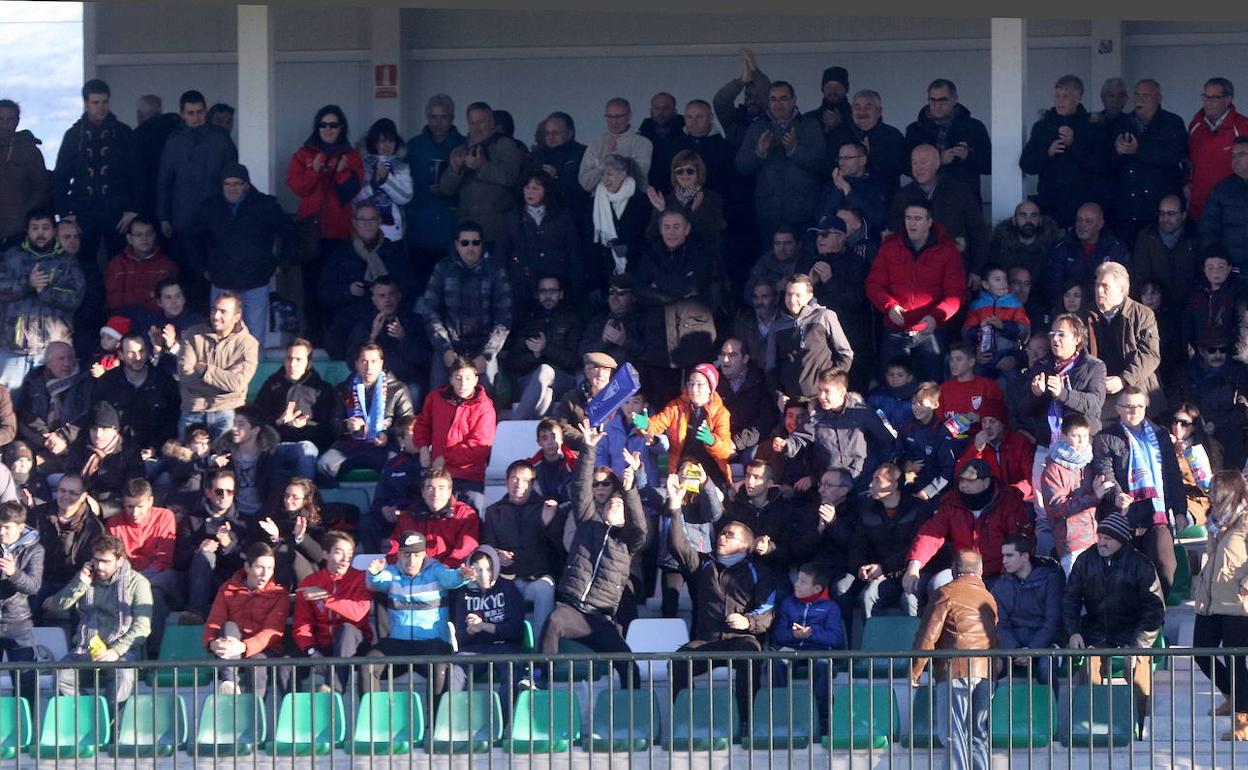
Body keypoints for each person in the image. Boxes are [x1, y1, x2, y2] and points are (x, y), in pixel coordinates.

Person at [535, 424, 646, 688]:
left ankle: (632, 717)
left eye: (618, 505)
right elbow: (580, 488)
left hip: (600, 617)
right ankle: (540, 681)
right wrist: (589, 448)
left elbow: (640, 525)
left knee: (628, 666)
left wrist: (629, 490)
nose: (611, 505)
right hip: (571, 607)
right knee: (554, 620)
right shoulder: (588, 523)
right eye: (609, 503)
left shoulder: (628, 540)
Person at [1063, 513, 1166, 739]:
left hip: (1132, 632)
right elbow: (1070, 600)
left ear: (1122, 539)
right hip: (1097, 632)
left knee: (1138, 669)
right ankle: (1094, 725)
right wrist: (1074, 632)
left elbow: (1154, 609)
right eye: (1100, 536)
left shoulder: (1140, 564)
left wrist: (1138, 645)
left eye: (1108, 538)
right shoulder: (1085, 561)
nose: (1101, 542)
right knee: (1089, 671)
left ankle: (1137, 726)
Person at [1092, 388, 1186, 597]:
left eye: (1139, 406)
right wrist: (1116, 495)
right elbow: (1103, 471)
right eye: (1128, 406)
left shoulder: (1160, 435)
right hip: (1123, 515)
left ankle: (1154, 619)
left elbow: (1172, 475)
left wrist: (1180, 510)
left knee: (1165, 566)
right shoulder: (1105, 438)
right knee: (1125, 577)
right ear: (1117, 409)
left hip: (1156, 513)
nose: (1134, 411)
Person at [910, 550, 999, 770]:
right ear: (980, 571)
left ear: (953, 570)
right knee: (978, 735)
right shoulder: (989, 597)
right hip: (986, 673)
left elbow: (928, 635)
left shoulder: (945, 593)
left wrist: (915, 670)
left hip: (956, 669)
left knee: (954, 733)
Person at [362, 531, 475, 700]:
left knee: (441, 669)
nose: (411, 560)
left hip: (432, 643)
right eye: (406, 554)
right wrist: (374, 574)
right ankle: (372, 722)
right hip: (399, 644)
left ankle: (435, 723)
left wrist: (462, 575)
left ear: (424, 554)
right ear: (399, 554)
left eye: (416, 555)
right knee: (367, 665)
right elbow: (376, 582)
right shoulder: (392, 573)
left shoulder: (436, 570)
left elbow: (450, 579)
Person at [186, 163, 292, 339]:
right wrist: (202, 268)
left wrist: (282, 264)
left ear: (247, 185)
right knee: (220, 337)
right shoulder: (210, 207)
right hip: (222, 281)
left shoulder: (266, 206)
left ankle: (254, 368)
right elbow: (192, 238)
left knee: (253, 338)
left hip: (255, 283)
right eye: (227, 184)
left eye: (237, 183)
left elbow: (290, 233)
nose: (232, 188)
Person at [285, 105, 364, 341]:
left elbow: (350, 192)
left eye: (333, 125)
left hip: (339, 234)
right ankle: (313, 333)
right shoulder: (304, 154)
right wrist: (315, 171)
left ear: (342, 128)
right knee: (310, 284)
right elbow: (298, 187)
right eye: (323, 125)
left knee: (336, 286)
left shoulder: (351, 156)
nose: (328, 129)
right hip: (311, 232)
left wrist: (341, 172)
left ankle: (334, 333)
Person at [866, 200, 965, 382]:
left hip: (930, 329)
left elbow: (955, 294)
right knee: (891, 386)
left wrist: (936, 316)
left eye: (918, 218)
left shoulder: (947, 251)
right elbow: (874, 284)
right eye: (908, 218)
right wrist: (889, 306)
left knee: (931, 387)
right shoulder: (890, 248)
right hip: (895, 329)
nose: (912, 223)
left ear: (929, 222)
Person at [903, 458, 1034, 593]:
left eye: (970, 481)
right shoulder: (951, 503)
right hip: (961, 572)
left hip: (999, 574)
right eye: (962, 480)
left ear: (986, 481)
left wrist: (1007, 576)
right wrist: (914, 564)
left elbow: (1018, 541)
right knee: (937, 585)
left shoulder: (1008, 503)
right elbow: (931, 534)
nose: (964, 485)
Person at [628, 208, 717, 404]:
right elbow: (639, 290)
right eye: (666, 227)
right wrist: (675, 288)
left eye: (676, 226)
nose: (671, 232)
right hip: (659, 340)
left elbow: (693, 285)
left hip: (693, 335)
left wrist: (658, 284)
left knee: (696, 400)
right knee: (664, 404)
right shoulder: (649, 253)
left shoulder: (700, 251)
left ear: (687, 229)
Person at [51, 534, 152, 703]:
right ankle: (90, 716)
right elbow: (58, 606)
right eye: (96, 560)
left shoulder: (138, 582)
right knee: (61, 676)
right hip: (86, 647)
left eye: (106, 561)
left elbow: (142, 626)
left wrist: (116, 650)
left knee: (123, 676)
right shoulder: (86, 577)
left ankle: (112, 725)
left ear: (119, 561)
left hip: (123, 649)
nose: (99, 566)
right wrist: (80, 583)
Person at [51, 79, 142, 265]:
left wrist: (133, 209)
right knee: (84, 263)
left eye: (104, 102)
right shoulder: (74, 136)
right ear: (86, 103)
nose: (101, 107)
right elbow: (61, 176)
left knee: (120, 262)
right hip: (83, 212)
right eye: (95, 103)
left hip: (117, 213)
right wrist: (65, 213)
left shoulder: (123, 133)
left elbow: (138, 174)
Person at [156, 89, 238, 292]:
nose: (196, 117)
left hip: (214, 217)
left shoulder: (221, 139)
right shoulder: (174, 140)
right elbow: (164, 180)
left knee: (212, 271)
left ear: (206, 111)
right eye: (190, 113)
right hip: (182, 217)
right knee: (183, 272)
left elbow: (234, 176)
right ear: (182, 114)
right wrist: (164, 216)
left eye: (200, 112)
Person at [0, 211, 85, 391]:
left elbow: (75, 298)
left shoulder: (67, 260)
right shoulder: (11, 256)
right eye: (35, 228)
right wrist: (27, 284)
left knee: (57, 407)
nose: (40, 233)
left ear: (54, 231)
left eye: (45, 228)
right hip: (14, 347)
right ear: (27, 231)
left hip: (54, 349)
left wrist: (45, 291)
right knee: (9, 406)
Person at [1191, 470, 1248, 740]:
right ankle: (1234, 697)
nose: (1210, 493)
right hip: (1211, 598)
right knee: (1201, 653)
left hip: (1238, 601)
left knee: (1234, 659)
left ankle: (1243, 719)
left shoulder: (1245, 519)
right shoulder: (1216, 521)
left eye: (1215, 488)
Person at [423, 220, 512, 390]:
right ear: (456, 245)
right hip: (449, 346)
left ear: (482, 244)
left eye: (475, 243)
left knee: (487, 394)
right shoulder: (443, 268)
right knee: (438, 392)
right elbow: (430, 312)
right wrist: (445, 349)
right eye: (465, 243)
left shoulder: (495, 270)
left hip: (483, 347)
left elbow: (504, 318)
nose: (470, 247)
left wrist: (487, 355)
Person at [318, 204, 415, 358]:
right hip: (352, 315)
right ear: (354, 222)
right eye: (362, 219)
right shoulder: (342, 253)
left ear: (379, 222)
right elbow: (324, 293)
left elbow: (409, 287)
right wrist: (348, 291)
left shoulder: (394, 251)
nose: (367, 224)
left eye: (372, 219)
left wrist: (388, 295)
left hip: (389, 313)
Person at [774, 367, 894, 490]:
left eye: (827, 391)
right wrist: (786, 445)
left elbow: (886, 440)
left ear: (842, 392)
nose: (821, 396)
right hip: (830, 485)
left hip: (862, 480)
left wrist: (877, 466)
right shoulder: (815, 414)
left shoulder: (862, 412)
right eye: (819, 390)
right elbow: (800, 437)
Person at [734, 81, 826, 240]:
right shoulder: (758, 127)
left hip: (803, 214)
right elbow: (741, 165)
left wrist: (794, 150)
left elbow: (820, 163)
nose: (778, 104)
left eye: (783, 98)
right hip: (769, 214)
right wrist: (759, 152)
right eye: (773, 99)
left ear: (794, 100)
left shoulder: (810, 125)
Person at [481, 460, 561, 634]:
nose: (519, 484)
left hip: (538, 576)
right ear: (506, 482)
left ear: (532, 485)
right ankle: (510, 647)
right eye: (514, 479)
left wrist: (549, 525)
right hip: (507, 578)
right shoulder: (494, 511)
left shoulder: (545, 507)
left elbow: (558, 548)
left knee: (545, 589)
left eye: (525, 480)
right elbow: (487, 546)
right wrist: (497, 555)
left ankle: (542, 652)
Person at [317, 343, 415, 483]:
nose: (369, 367)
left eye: (374, 361)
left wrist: (387, 435)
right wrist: (347, 426)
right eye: (364, 361)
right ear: (356, 364)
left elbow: (407, 424)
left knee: (396, 466)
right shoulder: (343, 389)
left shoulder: (398, 389)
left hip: (384, 446)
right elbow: (333, 423)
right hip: (350, 445)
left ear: (381, 363)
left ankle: (386, 503)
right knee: (323, 465)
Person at [887, 143, 989, 277]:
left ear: (937, 163)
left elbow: (978, 230)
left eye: (923, 163)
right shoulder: (903, 195)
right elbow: (894, 234)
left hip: (956, 267)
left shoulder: (960, 191)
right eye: (914, 163)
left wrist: (976, 270)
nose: (918, 168)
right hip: (914, 270)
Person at [1019, 75, 1107, 229]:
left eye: (1065, 96)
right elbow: (1026, 165)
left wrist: (1074, 144)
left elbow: (1100, 165)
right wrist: (1048, 153)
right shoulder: (1042, 126)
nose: (1060, 101)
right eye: (1057, 96)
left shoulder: (1092, 126)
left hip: (1082, 208)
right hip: (1050, 205)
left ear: (1078, 98)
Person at [203, 541, 290, 697]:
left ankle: (255, 713)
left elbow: (271, 631)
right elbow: (214, 621)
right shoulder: (227, 589)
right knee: (228, 625)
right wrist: (211, 643)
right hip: (232, 649)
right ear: (247, 567)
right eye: (260, 567)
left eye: (270, 568)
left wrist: (244, 647)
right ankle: (229, 683)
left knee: (256, 662)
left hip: (264, 650)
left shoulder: (279, 595)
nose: (265, 574)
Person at [291, 530, 372, 692]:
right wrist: (312, 652)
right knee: (286, 663)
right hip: (322, 645)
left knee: (346, 629)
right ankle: (292, 713)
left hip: (354, 643)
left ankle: (333, 692)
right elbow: (302, 623)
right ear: (325, 554)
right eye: (338, 553)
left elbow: (358, 614)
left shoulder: (360, 578)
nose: (345, 559)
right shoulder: (311, 582)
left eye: (349, 554)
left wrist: (327, 598)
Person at [1107, 79, 1187, 244]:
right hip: (1126, 208)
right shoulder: (1121, 123)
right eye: (1137, 95)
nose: (1140, 99)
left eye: (1145, 95)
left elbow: (1174, 157)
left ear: (1158, 98)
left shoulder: (1172, 123)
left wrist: (1138, 151)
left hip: (1158, 209)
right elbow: (1106, 163)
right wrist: (1118, 152)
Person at [411, 355, 495, 511]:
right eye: (458, 378)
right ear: (450, 379)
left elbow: (479, 446)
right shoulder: (435, 398)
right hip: (437, 477)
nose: (463, 383)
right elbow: (423, 424)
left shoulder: (484, 406)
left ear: (476, 379)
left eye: (468, 378)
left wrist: (445, 459)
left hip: (468, 477)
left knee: (468, 519)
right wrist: (422, 448)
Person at [1085, 262, 1164, 424]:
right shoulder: (1084, 315)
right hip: (1101, 396)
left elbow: (1150, 354)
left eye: (1105, 286)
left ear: (1121, 289)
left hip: (1137, 390)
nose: (1099, 291)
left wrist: (1124, 379)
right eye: (1097, 285)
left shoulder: (1143, 314)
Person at [434, 102, 524, 244]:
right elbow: (446, 189)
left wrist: (481, 166)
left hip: (497, 230)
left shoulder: (506, 144)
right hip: (468, 230)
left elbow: (510, 177)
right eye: (472, 123)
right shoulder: (461, 149)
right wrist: (456, 169)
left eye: (481, 122)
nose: (476, 127)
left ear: (492, 122)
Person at [633, 363, 733, 490]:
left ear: (710, 388)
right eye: (690, 384)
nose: (693, 389)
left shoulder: (721, 413)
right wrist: (646, 424)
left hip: (711, 472)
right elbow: (657, 424)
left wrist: (712, 441)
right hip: (681, 469)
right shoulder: (676, 406)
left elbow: (725, 452)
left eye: (699, 385)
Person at [846, 463, 926, 621]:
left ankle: (914, 644)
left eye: (877, 480)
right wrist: (861, 566)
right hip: (882, 575)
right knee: (867, 596)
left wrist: (884, 567)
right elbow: (858, 545)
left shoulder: (918, 509)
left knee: (909, 599)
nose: (871, 485)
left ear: (894, 484)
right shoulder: (867, 510)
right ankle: (872, 644)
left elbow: (916, 546)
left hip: (913, 572)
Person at [495, 170, 583, 313]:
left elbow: (574, 253)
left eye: (536, 188)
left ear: (546, 190)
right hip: (521, 285)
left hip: (556, 285)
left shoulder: (562, 217)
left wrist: (576, 287)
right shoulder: (511, 219)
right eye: (527, 187)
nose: (530, 192)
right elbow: (501, 255)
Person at [176, 292, 259, 439]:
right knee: (185, 460)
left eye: (223, 312)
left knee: (225, 460)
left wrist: (205, 369)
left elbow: (237, 384)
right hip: (193, 409)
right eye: (214, 309)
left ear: (236, 317)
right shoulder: (192, 335)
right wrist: (225, 379)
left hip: (227, 412)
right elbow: (185, 375)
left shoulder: (248, 344)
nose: (215, 316)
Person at [771, 562, 844, 723]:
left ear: (817, 589)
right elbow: (778, 634)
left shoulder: (831, 607)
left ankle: (822, 717)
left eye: (803, 582)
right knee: (777, 663)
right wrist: (794, 635)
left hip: (819, 650)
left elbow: (836, 638)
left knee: (823, 666)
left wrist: (810, 634)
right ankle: (780, 713)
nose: (797, 584)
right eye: (797, 579)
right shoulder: (787, 604)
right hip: (791, 647)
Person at [252, 339, 335, 479]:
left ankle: (303, 496)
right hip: (276, 445)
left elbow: (329, 428)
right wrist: (279, 421)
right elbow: (255, 419)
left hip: (308, 446)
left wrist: (305, 425)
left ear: (308, 363)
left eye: (298, 359)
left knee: (306, 449)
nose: (292, 364)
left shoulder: (321, 389)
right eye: (289, 358)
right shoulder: (272, 385)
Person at [406, 94, 465, 290]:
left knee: (451, 288)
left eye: (443, 117)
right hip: (419, 229)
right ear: (427, 117)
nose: (438, 122)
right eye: (433, 117)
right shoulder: (414, 146)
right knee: (421, 288)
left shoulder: (464, 145)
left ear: (452, 118)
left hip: (452, 229)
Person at [766, 272, 854, 401]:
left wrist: (831, 385)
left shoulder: (824, 316)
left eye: (798, 295)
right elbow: (771, 367)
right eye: (789, 294)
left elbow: (846, 354)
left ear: (810, 296)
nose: (792, 300)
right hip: (791, 402)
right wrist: (779, 396)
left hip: (821, 400)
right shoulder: (777, 326)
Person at [904, 79, 992, 203]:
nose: (937, 105)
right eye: (932, 100)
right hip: (925, 201)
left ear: (954, 99)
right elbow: (905, 166)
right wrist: (937, 160)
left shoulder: (974, 128)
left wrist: (967, 156)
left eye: (943, 100)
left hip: (965, 200)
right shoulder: (915, 130)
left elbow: (991, 165)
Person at [93, 333, 179, 458]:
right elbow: (96, 416)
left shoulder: (163, 381)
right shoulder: (107, 382)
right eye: (131, 353)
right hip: (116, 453)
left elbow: (173, 419)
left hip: (155, 453)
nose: (138, 357)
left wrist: (156, 448)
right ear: (121, 355)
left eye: (141, 351)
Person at [992, 535, 1064, 684]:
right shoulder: (1000, 585)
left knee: (1046, 670)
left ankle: (1051, 708)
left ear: (1024, 556)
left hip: (1046, 645)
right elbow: (1001, 624)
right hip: (1012, 648)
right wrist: (1016, 650)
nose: (1004, 560)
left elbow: (1052, 621)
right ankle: (985, 708)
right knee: (991, 669)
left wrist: (1032, 649)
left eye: (1009, 555)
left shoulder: (1050, 579)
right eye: (1003, 555)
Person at [343, 277, 430, 400]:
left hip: (408, 381)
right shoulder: (364, 325)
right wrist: (372, 337)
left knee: (414, 391)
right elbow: (352, 362)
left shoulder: (415, 321)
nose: (388, 300)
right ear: (374, 299)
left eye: (391, 294)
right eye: (382, 296)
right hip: (374, 382)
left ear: (399, 296)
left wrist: (404, 339)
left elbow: (425, 359)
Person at [509, 275, 582, 420]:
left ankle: (514, 423)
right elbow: (513, 362)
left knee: (545, 370)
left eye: (552, 291)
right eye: (543, 291)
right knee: (547, 396)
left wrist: (545, 348)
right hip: (529, 381)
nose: (548, 296)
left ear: (561, 294)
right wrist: (534, 356)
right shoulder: (528, 320)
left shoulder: (571, 319)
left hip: (564, 379)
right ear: (537, 294)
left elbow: (575, 360)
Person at [32, 473, 104, 620]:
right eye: (62, 491)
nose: (66, 496)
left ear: (84, 496)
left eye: (73, 493)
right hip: (37, 579)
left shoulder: (94, 527)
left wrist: (62, 597)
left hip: (70, 583)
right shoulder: (37, 515)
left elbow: (89, 567)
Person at [179, 469, 245, 624]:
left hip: (230, 582)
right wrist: (198, 549)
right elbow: (178, 558)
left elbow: (247, 563)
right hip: (196, 581)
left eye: (230, 492)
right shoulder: (193, 518)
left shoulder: (243, 521)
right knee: (205, 555)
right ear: (208, 492)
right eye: (219, 492)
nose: (225, 497)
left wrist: (228, 546)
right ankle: (196, 614)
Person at [14, 340, 92, 471]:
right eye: (61, 359)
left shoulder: (85, 383)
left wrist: (62, 437)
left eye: (70, 358)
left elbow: (86, 416)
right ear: (48, 363)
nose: (67, 363)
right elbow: (25, 416)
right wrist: (46, 439)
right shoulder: (34, 382)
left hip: (71, 445)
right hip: (41, 442)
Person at [1174, 333, 1248, 469]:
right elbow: (1181, 405)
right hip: (1196, 430)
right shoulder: (1188, 374)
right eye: (1212, 350)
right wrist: (1197, 423)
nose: (1218, 355)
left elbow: (1243, 411)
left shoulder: (1238, 373)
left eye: (1223, 350)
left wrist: (1215, 423)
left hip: (1230, 435)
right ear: (1201, 351)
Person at [1040, 414, 1101, 573]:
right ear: (1064, 436)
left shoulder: (1090, 462)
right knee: (1078, 593)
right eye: (1075, 436)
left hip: (1098, 538)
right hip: (1072, 543)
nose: (1081, 442)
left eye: (1085, 436)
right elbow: (1058, 508)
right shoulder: (1053, 469)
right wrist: (1094, 498)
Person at [388, 468, 480, 569]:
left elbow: (465, 550)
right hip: (416, 576)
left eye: (441, 488)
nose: (436, 494)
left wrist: (442, 571)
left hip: (451, 575)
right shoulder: (410, 516)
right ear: (423, 492)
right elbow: (395, 549)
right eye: (430, 488)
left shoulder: (464, 515)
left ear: (450, 491)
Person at [587, 154, 651, 290]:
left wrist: (627, 249)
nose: (605, 179)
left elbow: (649, 237)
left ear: (623, 174)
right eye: (602, 174)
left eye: (609, 174)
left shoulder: (642, 200)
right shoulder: (595, 202)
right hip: (606, 274)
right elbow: (593, 243)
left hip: (636, 271)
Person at [1188, 78, 1248, 222]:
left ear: (1228, 100)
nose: (1208, 102)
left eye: (1214, 98)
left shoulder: (1242, 127)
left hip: (1232, 210)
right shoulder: (1196, 125)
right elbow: (1189, 161)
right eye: (1205, 97)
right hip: (1199, 207)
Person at [0, 501, 42, 695]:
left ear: (20, 527)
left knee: (26, 683)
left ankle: (27, 725)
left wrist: (14, 573)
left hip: (19, 624)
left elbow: (34, 586)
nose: (1, 532)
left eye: (6, 528)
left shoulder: (35, 550)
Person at [1132, 195, 1198, 312]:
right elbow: (1140, 275)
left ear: (1183, 215)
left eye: (1171, 214)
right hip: (1154, 308)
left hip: (1189, 307)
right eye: (1162, 214)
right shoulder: (1146, 236)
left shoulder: (1194, 237)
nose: (1165, 218)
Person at [961, 264, 1030, 375]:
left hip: (1008, 354)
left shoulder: (1015, 304)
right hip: (984, 356)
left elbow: (1024, 331)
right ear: (986, 284)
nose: (1003, 283)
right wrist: (981, 329)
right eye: (998, 280)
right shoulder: (977, 306)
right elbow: (966, 333)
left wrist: (1003, 326)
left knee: (1009, 380)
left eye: (1005, 279)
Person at [354, 118, 414, 243]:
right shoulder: (362, 164)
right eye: (382, 141)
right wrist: (373, 185)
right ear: (374, 143)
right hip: (365, 231)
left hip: (393, 232)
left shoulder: (401, 166)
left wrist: (386, 180)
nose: (387, 146)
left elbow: (405, 197)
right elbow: (355, 197)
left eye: (390, 141)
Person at [102, 216, 178, 316]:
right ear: (129, 238)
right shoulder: (116, 265)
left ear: (154, 236)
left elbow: (168, 301)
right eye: (139, 235)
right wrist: (148, 295)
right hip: (123, 321)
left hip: (158, 320)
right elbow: (114, 302)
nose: (144, 238)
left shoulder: (166, 265)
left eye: (148, 234)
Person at [716, 337, 777, 461]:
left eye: (732, 355)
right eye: (722, 354)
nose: (725, 360)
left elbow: (766, 421)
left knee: (753, 456)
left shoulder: (760, 381)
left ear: (745, 358)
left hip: (749, 444)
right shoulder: (712, 381)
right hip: (718, 441)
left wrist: (736, 443)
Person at [0, 99, 50, 247]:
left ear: (17, 121)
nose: (4, 124)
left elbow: (41, 188)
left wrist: (25, 217)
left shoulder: (29, 151)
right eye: (0, 119)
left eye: (9, 119)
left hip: (17, 231)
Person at [578, 98, 653, 193]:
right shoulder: (595, 145)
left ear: (629, 116)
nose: (614, 121)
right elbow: (586, 183)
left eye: (618, 116)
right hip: (600, 202)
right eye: (609, 116)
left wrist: (611, 158)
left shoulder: (643, 144)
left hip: (633, 201)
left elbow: (639, 177)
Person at [1167, 403, 1222, 529]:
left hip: (1195, 501)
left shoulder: (1210, 447)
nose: (1177, 427)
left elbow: (1213, 482)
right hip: (1169, 498)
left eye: (1184, 423)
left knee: (1171, 520)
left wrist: (1187, 454)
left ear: (1193, 427)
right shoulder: (1167, 445)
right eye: (1175, 422)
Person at [814, 141, 887, 232]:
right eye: (840, 158)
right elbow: (821, 218)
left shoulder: (876, 184)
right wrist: (838, 188)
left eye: (847, 158)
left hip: (865, 238)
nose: (841, 163)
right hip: (833, 238)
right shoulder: (830, 185)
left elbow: (878, 219)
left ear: (862, 160)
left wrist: (849, 193)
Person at [1199, 136, 1248, 271]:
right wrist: (1216, 264)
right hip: (1232, 270)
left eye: (1241, 155)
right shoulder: (1221, 190)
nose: (1235, 159)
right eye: (1233, 155)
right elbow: (1208, 230)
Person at [989, 200, 1060, 278]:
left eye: (1033, 215)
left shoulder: (1053, 249)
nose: (1028, 220)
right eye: (1023, 215)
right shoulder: (999, 248)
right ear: (1014, 220)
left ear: (1040, 220)